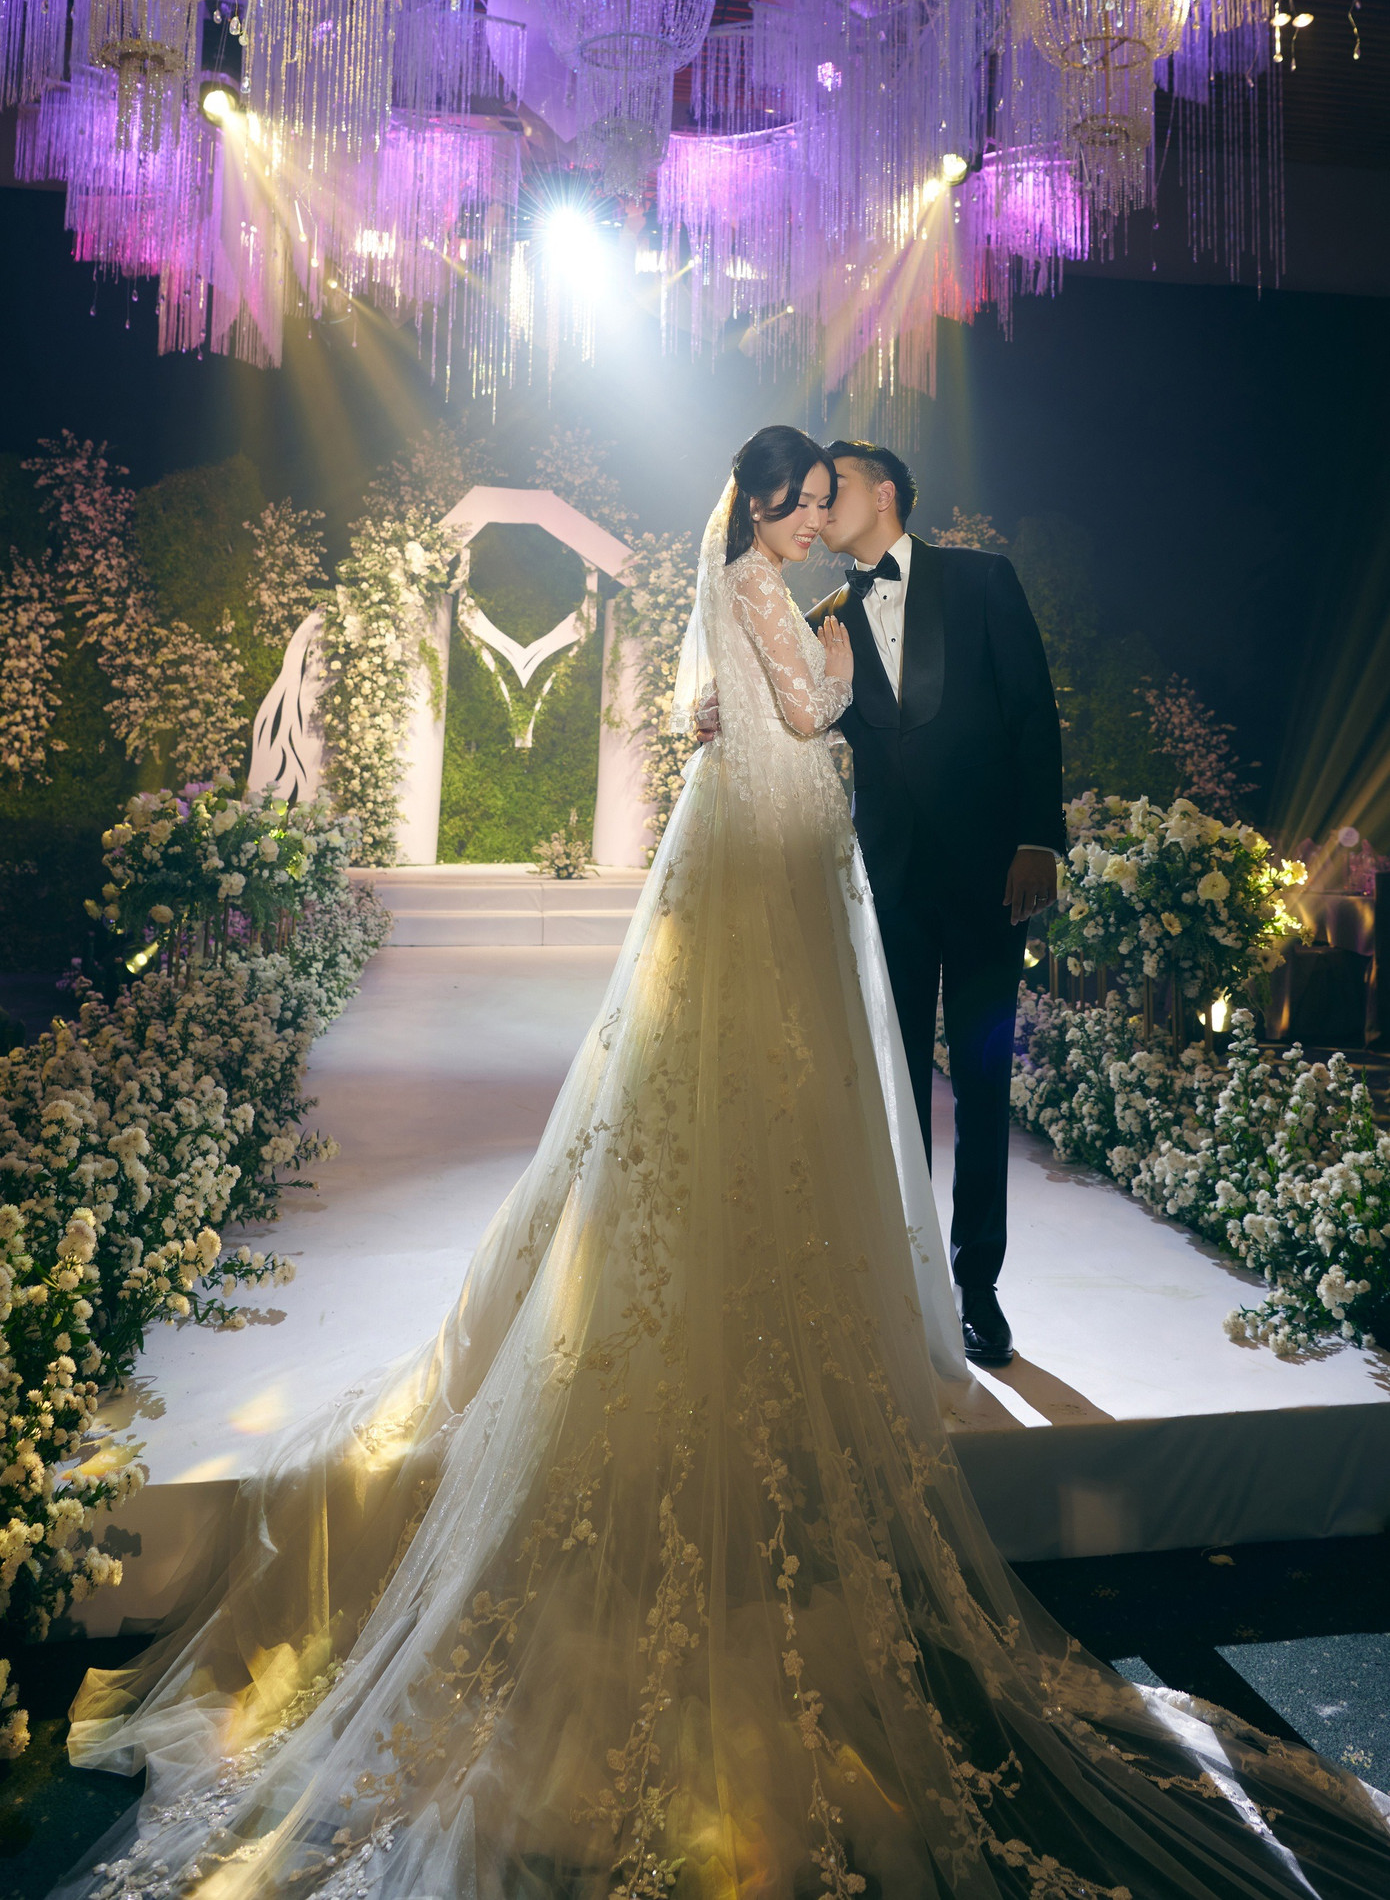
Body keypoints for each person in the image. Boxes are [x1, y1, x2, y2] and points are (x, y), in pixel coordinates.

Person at [55, 430, 1389, 1900]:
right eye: (804, 497)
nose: (820, 514)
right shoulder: (774, 586)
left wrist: (937, 772)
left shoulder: (838, 580)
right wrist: (825, 654)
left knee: (818, 1085)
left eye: (832, 495)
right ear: (767, 503)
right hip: (784, 858)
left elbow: (915, 710)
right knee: (778, 1083)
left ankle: (951, 1289)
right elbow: (813, 706)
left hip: (808, 850)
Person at [807, 442, 1063, 1369]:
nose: (817, 504)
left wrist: (1038, 840)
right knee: (898, 1084)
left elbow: (1032, 711)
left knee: (986, 1086)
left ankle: (978, 1285)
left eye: (833, 487)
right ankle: (905, 1280)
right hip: (891, 881)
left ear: (884, 494)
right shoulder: (824, 618)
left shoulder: (984, 580)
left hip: (995, 876)